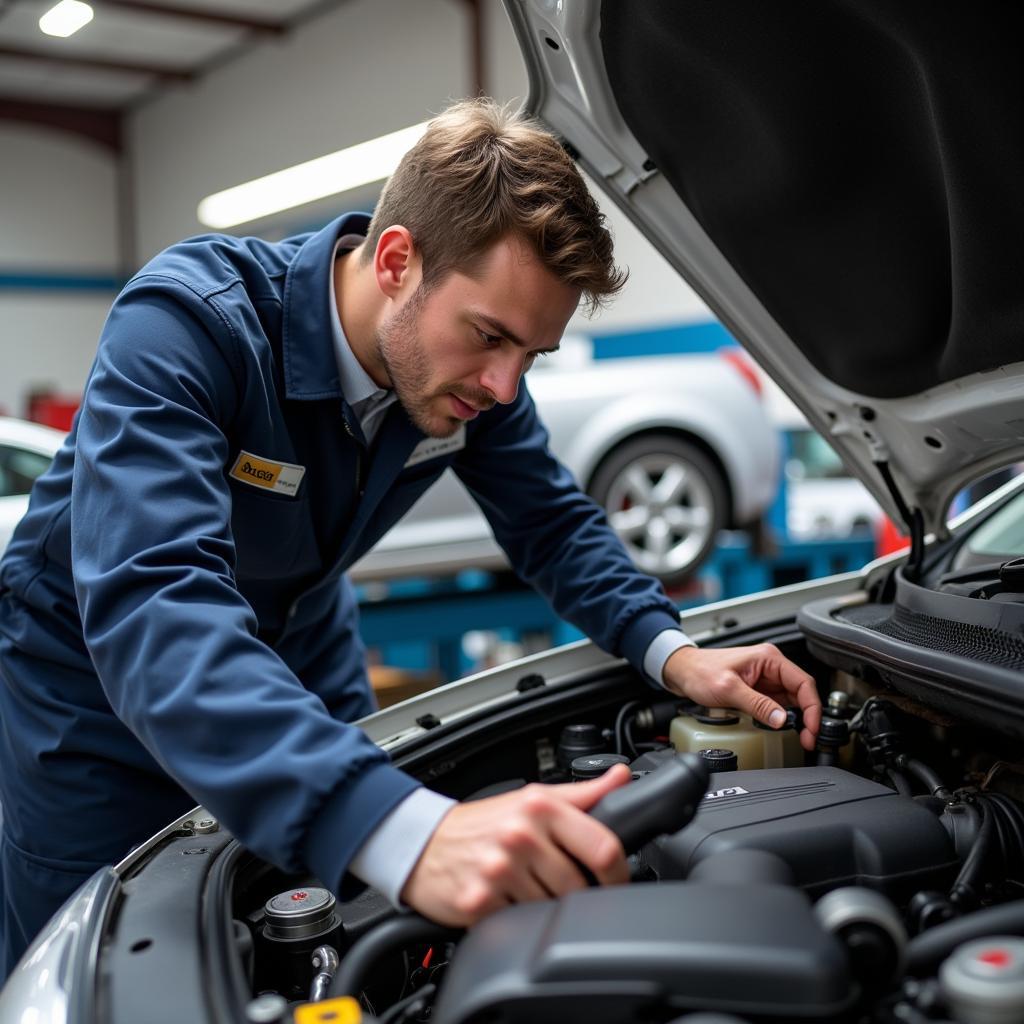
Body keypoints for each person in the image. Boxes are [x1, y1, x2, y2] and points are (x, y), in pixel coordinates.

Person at [0, 98, 820, 973]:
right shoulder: (188, 325)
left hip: (299, 652)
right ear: (397, 261)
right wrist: (393, 824)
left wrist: (671, 651)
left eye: (531, 356)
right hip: (86, 696)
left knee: (330, 934)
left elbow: (549, 520)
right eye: (492, 337)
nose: (507, 387)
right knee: (102, 961)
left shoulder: (469, 380)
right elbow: (156, 599)